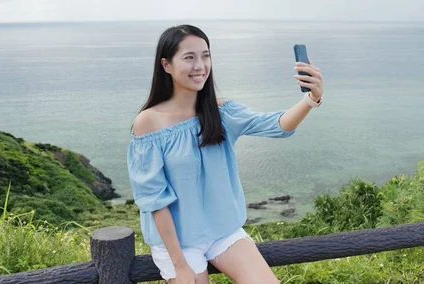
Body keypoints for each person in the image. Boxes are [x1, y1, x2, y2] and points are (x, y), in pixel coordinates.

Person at [127, 24, 324, 284]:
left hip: (223, 230)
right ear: (166, 65)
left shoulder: (221, 112)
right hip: (179, 242)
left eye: (205, 55)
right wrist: (179, 265)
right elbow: (154, 198)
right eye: (189, 57)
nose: (200, 66)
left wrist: (312, 98)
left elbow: (278, 124)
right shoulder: (148, 123)